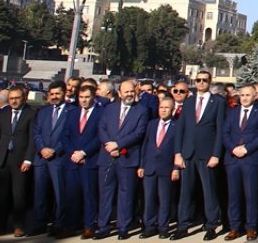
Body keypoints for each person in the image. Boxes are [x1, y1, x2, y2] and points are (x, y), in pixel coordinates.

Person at [176, 71, 226, 241]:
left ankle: (211, 225)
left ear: (210, 82)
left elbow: (220, 130)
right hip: (188, 152)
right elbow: (180, 129)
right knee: (186, 192)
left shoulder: (218, 102)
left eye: (205, 80)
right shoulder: (188, 102)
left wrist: (216, 154)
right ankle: (182, 226)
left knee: (209, 191)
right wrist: (178, 153)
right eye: (198, 80)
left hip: (207, 154)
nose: (201, 83)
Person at [97, 78, 149, 239]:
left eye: (132, 91)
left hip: (128, 157)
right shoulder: (109, 108)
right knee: (105, 193)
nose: (129, 94)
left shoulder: (142, 110)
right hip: (107, 157)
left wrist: (118, 145)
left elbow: (138, 133)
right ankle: (103, 227)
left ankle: (123, 227)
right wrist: (108, 144)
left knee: (126, 194)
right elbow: (101, 127)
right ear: (119, 93)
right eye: (126, 91)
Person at [0, 85, 36, 236]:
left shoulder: (31, 114)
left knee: (19, 195)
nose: (14, 101)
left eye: (17, 98)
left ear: (24, 98)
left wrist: (28, 159)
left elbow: (32, 139)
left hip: (20, 160)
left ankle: (18, 226)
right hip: (3, 159)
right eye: (11, 99)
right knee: (0, 195)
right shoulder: (3, 113)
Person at [224, 84, 258, 241]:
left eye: (248, 95)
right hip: (233, 159)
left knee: (251, 195)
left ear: (254, 97)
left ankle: (251, 227)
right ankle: (234, 227)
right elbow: (225, 133)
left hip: (251, 159)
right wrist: (233, 149)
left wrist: (247, 149)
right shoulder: (232, 112)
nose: (244, 98)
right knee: (234, 195)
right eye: (242, 95)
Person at [140, 95, 183, 239]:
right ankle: (149, 226)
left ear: (173, 109)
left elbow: (178, 149)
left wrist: (176, 168)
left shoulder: (177, 126)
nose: (163, 110)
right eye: (161, 107)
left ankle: (163, 227)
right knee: (149, 198)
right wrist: (142, 165)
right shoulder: (152, 124)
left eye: (167, 108)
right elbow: (145, 145)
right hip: (150, 168)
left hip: (167, 169)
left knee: (165, 200)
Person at [65, 84, 105, 239]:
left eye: (87, 97)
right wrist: (73, 153)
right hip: (73, 160)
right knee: (72, 195)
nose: (84, 100)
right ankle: (70, 225)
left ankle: (89, 226)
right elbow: (65, 135)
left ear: (93, 96)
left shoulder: (101, 113)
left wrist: (84, 152)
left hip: (90, 160)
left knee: (89, 195)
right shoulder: (72, 113)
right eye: (81, 97)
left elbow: (99, 136)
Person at [32, 81, 72, 236]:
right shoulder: (43, 111)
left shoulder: (71, 111)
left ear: (64, 93)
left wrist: (55, 150)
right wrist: (42, 148)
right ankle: (39, 223)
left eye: (58, 93)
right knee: (40, 193)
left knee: (60, 194)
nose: (55, 96)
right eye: (52, 94)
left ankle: (59, 223)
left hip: (59, 158)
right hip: (41, 158)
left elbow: (69, 135)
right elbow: (36, 132)